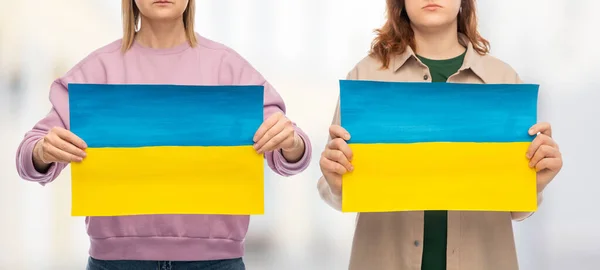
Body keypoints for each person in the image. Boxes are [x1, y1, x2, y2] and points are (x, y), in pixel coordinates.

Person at [15, 0, 312, 269]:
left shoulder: (228, 68)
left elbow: (292, 152)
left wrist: (291, 143)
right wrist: (42, 151)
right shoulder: (97, 70)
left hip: (216, 264)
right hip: (116, 264)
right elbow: (29, 156)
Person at [317, 0, 563, 269]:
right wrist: (336, 182)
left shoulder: (503, 80)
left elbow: (517, 209)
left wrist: (534, 182)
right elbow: (334, 190)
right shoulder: (365, 77)